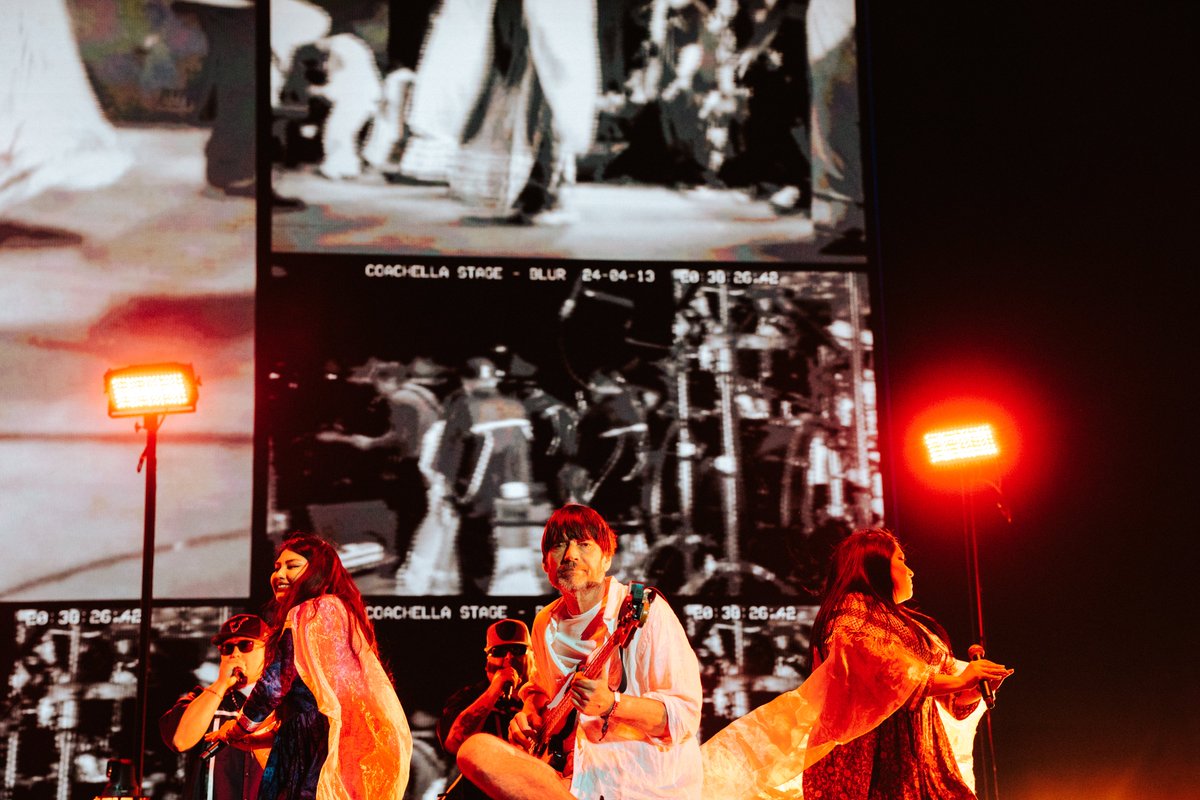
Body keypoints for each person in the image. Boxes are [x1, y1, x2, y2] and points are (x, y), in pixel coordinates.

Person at [701, 528, 1013, 799]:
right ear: (874, 565)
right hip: (867, 763)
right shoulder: (849, 613)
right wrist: (961, 679)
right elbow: (884, 671)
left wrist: (972, 687)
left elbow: (945, 694)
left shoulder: (916, 628)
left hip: (923, 762)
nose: (911, 571)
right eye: (902, 560)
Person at [455, 504, 704, 800]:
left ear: (606, 559)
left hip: (638, 785)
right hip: (570, 782)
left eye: (584, 545)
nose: (571, 555)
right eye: (560, 545)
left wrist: (611, 704)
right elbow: (539, 688)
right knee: (476, 750)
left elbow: (683, 717)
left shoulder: (644, 612)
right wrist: (529, 711)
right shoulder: (545, 623)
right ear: (546, 564)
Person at [206, 534, 412, 800]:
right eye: (277, 566)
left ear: (317, 571)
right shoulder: (341, 611)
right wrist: (262, 738)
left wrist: (237, 728)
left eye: (291, 566)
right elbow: (319, 704)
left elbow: (275, 685)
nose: (278, 574)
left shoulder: (307, 612)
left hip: (312, 757)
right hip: (337, 751)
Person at [435, 357, 533, 595]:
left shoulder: (464, 407)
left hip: (478, 493)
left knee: (475, 546)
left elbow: (450, 454)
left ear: (467, 381)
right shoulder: (516, 406)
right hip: (516, 490)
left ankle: (477, 598)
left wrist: (451, 492)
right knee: (512, 546)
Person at [160, 614, 271, 800]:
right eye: (227, 648)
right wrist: (221, 683)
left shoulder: (284, 703)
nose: (235, 654)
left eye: (245, 645)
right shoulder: (199, 699)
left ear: (269, 651)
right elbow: (180, 740)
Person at [436, 619, 534, 799]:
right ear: (487, 660)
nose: (508, 658)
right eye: (498, 651)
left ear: (532, 657)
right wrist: (494, 691)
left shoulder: (544, 698)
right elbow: (453, 743)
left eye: (518, 650)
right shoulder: (468, 698)